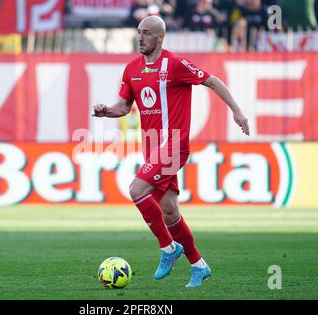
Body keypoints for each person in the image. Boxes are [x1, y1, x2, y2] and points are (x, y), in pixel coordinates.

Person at [92, 15, 249, 288]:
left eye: (147, 33)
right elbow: (123, 106)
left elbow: (213, 81)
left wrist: (237, 111)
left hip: (174, 145)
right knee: (169, 210)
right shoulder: (132, 69)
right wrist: (106, 111)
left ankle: (168, 247)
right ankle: (199, 266)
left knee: (136, 190)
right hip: (152, 148)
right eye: (139, 32)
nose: (140, 37)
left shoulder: (175, 64)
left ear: (160, 37)